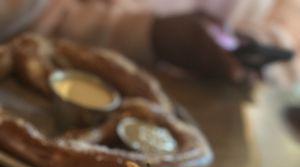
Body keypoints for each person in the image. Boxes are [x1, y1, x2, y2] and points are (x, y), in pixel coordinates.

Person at [0, 0, 297, 82]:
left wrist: (259, 40)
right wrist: (146, 33)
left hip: (228, 119)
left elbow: (289, 18)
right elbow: (29, 20)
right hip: (58, 96)